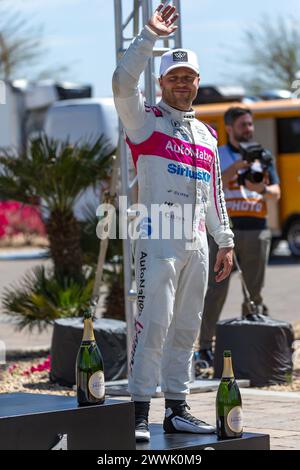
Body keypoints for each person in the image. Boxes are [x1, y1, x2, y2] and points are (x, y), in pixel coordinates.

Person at [112, 3, 234, 442]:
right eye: (174, 78)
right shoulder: (145, 121)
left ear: (198, 83)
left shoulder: (206, 134)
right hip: (157, 235)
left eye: (189, 77)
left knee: (187, 326)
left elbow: (214, 194)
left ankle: (177, 409)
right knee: (154, 324)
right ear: (161, 83)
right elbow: (121, 83)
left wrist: (226, 240)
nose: (182, 84)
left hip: (197, 243)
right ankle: (140, 411)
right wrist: (147, 38)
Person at [198, 107, 281, 367]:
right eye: (243, 125)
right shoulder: (217, 154)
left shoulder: (262, 156)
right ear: (230, 128)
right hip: (223, 230)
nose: (249, 129)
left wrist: (263, 188)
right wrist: (233, 169)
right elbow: (207, 186)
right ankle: (204, 347)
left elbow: (276, 192)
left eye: (250, 124)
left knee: (254, 293)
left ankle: (253, 344)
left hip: (256, 227)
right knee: (215, 291)